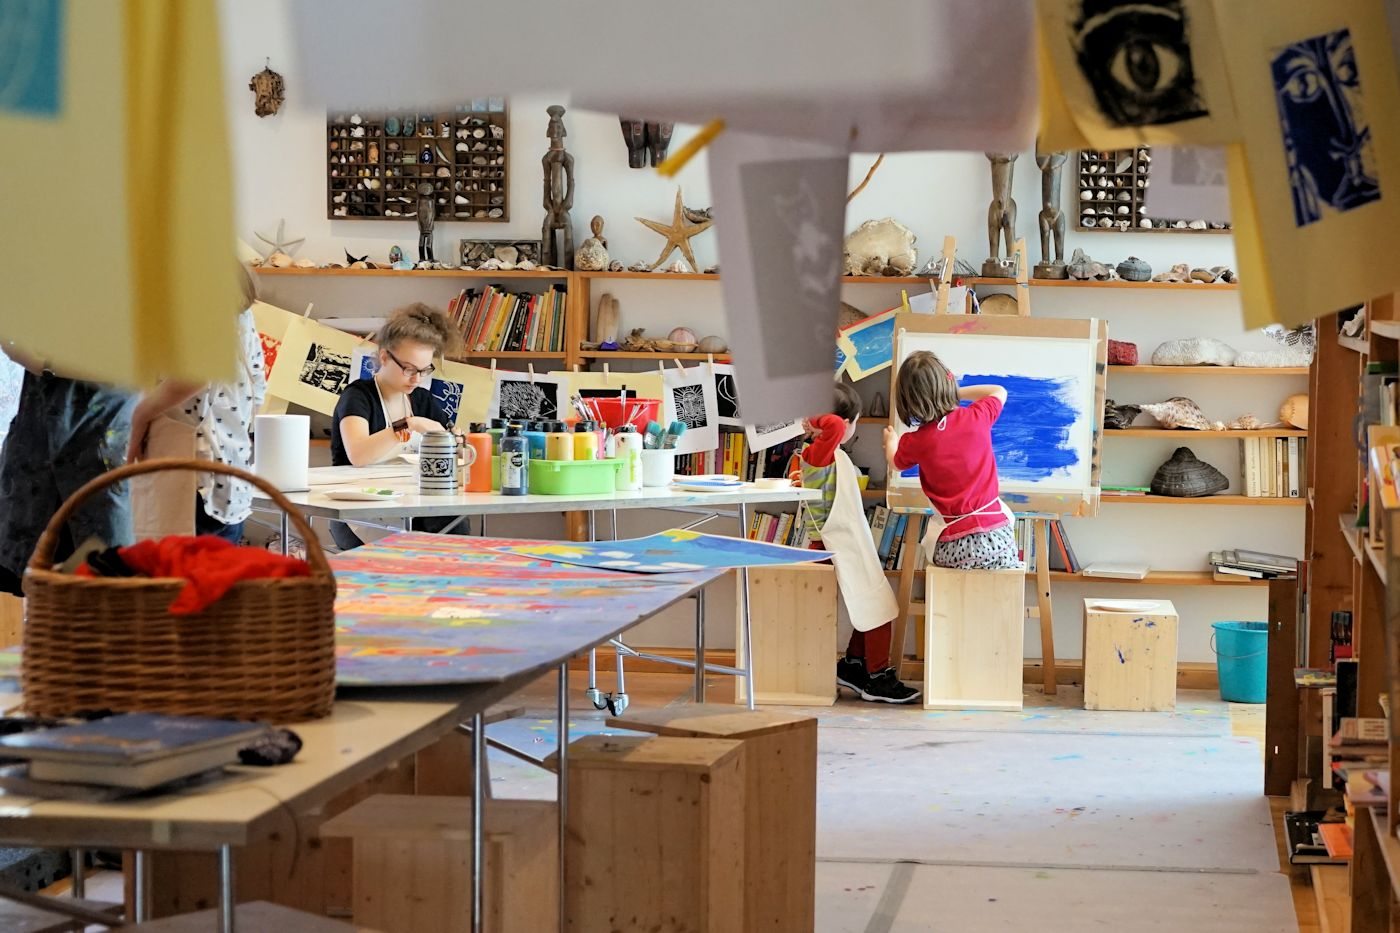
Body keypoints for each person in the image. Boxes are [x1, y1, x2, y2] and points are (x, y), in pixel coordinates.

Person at [127, 262, 267, 542]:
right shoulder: (239, 316)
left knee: (187, 578)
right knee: (216, 578)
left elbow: (198, 374)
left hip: (196, 478)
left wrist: (140, 415)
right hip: (227, 476)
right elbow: (258, 391)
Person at [797, 380, 918, 704]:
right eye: (856, 422)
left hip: (839, 543)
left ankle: (853, 665)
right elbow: (834, 425)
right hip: (831, 547)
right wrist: (818, 417)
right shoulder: (819, 453)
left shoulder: (828, 454)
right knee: (877, 605)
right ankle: (876, 676)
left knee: (873, 603)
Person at [0, 344, 136, 596]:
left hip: (97, 469)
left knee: (96, 591)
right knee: (37, 589)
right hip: (35, 469)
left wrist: (47, 364)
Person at [329, 302, 460, 550]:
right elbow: (358, 454)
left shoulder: (421, 399)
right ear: (385, 357)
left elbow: (452, 445)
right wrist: (409, 424)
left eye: (424, 370)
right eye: (409, 369)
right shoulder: (357, 396)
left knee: (454, 526)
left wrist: (456, 441)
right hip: (357, 512)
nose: (417, 378)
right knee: (411, 550)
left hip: (411, 503)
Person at [883, 350, 1019, 571]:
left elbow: (895, 463)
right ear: (948, 382)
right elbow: (998, 391)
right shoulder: (977, 416)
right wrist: (954, 392)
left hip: (954, 550)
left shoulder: (916, 440)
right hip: (998, 543)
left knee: (932, 550)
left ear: (908, 401)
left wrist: (891, 443)